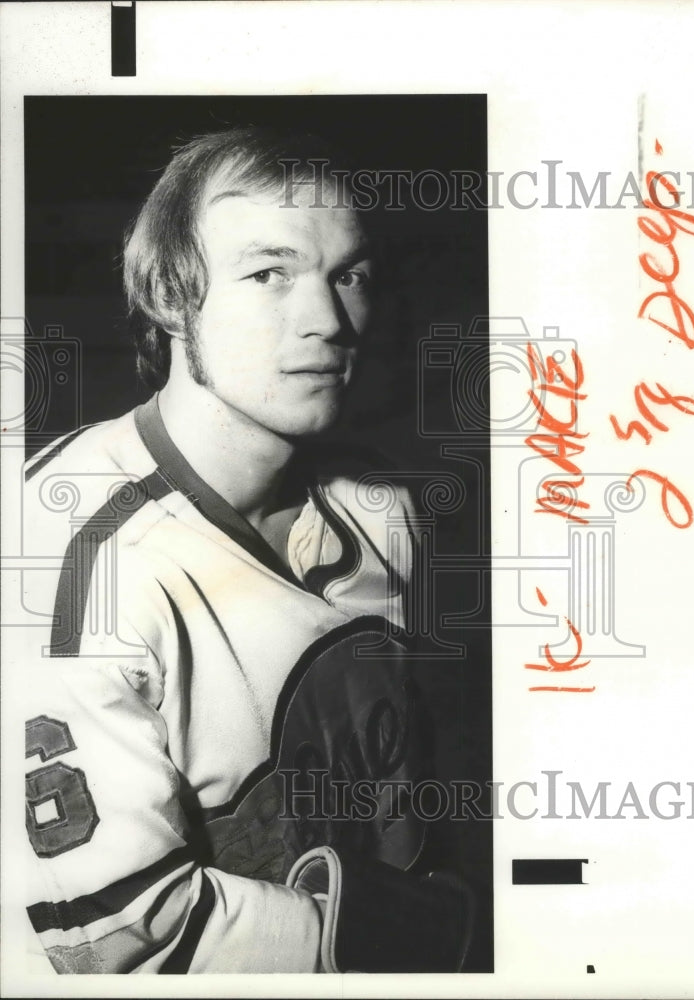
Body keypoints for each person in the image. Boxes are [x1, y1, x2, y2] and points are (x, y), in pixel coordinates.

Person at [22, 126, 472, 974]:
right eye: (269, 274)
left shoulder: (384, 507)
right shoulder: (67, 560)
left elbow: (398, 806)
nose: (331, 321)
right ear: (168, 293)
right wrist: (436, 941)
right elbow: (114, 936)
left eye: (350, 275)